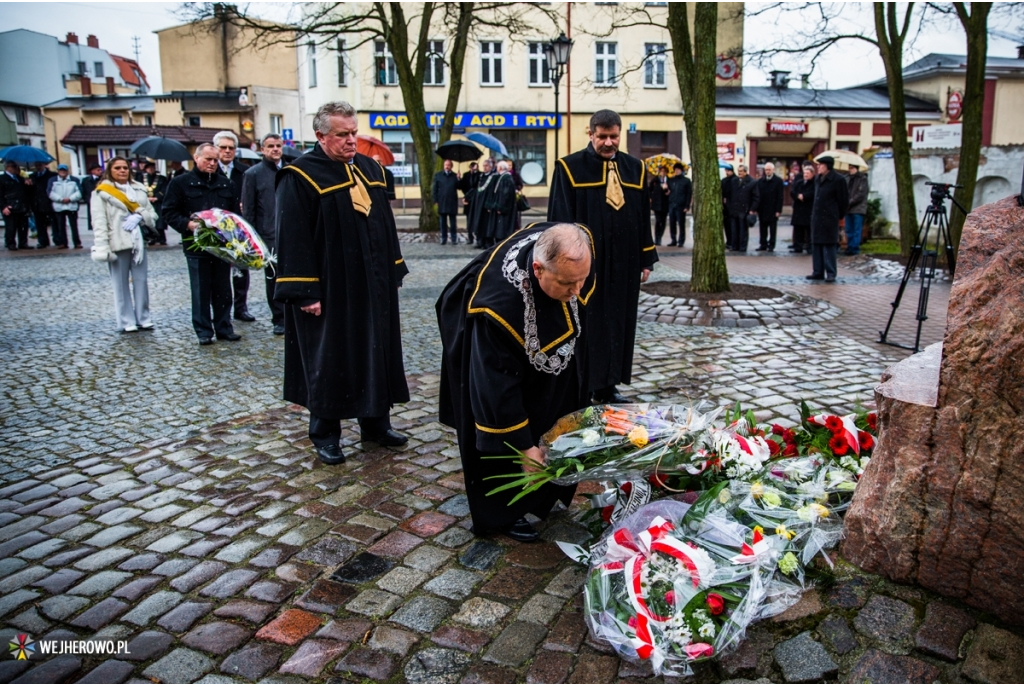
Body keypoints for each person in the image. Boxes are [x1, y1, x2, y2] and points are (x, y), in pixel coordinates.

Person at [437, 222, 595, 542]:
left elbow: (576, 286)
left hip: (536, 302)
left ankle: (545, 492)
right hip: (486, 343)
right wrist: (524, 447)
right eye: (567, 283)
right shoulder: (496, 311)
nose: (577, 291)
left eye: (582, 280)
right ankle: (501, 512)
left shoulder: (576, 248)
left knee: (556, 390)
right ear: (538, 269)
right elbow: (497, 392)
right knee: (497, 419)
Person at [274, 101, 410, 466]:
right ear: (321, 136)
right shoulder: (300, 176)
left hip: (374, 285)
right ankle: (326, 434)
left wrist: (393, 268)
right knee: (329, 358)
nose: (352, 141)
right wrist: (305, 291)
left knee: (375, 351)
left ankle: (376, 424)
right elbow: (292, 237)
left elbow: (385, 225)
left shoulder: (370, 169)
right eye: (342, 135)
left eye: (354, 133)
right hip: (330, 288)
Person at [548, 109, 656, 404]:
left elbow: (643, 216)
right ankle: (583, 386)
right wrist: (563, 262)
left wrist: (646, 259)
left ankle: (608, 385)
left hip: (625, 263)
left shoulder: (636, 169)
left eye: (614, 136)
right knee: (586, 323)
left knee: (618, 322)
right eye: (602, 137)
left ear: (620, 135)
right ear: (591, 134)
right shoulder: (569, 168)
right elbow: (559, 220)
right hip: (586, 264)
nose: (608, 143)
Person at [162, 143, 241, 345]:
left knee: (223, 290)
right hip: (196, 246)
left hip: (222, 246)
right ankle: (204, 331)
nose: (212, 163)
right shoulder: (181, 183)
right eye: (208, 159)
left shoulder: (226, 184)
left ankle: (224, 327)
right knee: (201, 290)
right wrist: (187, 224)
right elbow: (168, 212)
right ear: (196, 159)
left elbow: (235, 215)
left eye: (215, 160)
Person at [89, 156, 158, 332]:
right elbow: (99, 222)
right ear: (110, 171)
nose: (122, 171)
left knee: (141, 281)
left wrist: (140, 216)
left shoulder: (139, 189)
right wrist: (103, 246)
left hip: (138, 241)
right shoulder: (101, 192)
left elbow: (153, 214)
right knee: (120, 284)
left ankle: (143, 317)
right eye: (117, 168)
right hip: (117, 241)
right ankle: (126, 321)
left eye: (125, 168)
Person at [241, 133, 288, 336]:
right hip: (268, 235)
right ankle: (279, 318)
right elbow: (249, 209)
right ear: (262, 149)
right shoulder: (253, 174)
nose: (275, 149)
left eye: (278, 145)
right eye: (270, 146)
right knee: (274, 278)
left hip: (290, 232)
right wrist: (252, 238)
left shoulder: (289, 170)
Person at [213, 130, 252, 322]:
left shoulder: (244, 171)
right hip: (217, 227)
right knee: (219, 273)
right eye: (223, 147)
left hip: (240, 227)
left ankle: (241, 307)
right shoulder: (211, 170)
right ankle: (222, 311)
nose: (227, 151)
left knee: (241, 271)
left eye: (231, 148)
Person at [807, 156, 850, 283]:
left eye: (820, 165)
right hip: (817, 217)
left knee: (829, 245)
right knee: (817, 245)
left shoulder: (838, 180)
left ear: (827, 166)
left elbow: (843, 200)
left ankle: (830, 272)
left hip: (830, 217)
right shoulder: (818, 179)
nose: (818, 167)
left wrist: (838, 215)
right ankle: (817, 271)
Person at [47, 164, 83, 249]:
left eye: (64, 170)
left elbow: (80, 192)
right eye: (60, 170)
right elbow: (50, 192)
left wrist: (70, 199)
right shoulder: (52, 180)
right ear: (58, 171)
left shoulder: (74, 180)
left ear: (67, 171)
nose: (62, 172)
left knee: (74, 226)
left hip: (72, 206)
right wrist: (60, 199)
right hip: (59, 206)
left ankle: (77, 242)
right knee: (60, 226)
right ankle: (62, 242)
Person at [726, 164, 759, 252]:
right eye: (738, 171)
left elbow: (756, 197)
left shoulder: (752, 182)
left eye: (741, 171)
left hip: (745, 210)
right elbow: (730, 194)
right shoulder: (734, 181)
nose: (739, 173)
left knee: (743, 230)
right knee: (734, 230)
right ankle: (734, 246)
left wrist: (752, 209)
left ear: (745, 172)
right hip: (734, 210)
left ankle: (742, 247)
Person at [1, 161, 31, 250]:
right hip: (10, 206)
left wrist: (28, 184)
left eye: (16, 166)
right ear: (7, 167)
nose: (16, 168)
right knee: (11, 226)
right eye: (14, 166)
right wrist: (3, 206)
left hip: (22, 205)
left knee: (23, 226)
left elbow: (26, 192)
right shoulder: (2, 179)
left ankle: (23, 243)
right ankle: (10, 243)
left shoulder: (20, 178)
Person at [485, 160, 517, 244]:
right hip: (504, 209)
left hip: (504, 210)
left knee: (502, 230)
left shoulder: (505, 178)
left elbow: (504, 195)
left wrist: (500, 207)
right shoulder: (503, 177)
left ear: (500, 168)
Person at [756, 162, 784, 252]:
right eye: (766, 170)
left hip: (773, 209)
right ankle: (763, 244)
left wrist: (778, 210)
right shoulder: (761, 181)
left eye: (769, 170)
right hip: (763, 209)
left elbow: (780, 197)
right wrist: (757, 208)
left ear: (773, 170)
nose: (767, 171)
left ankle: (771, 245)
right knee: (762, 228)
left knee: (772, 229)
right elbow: (758, 195)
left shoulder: (778, 181)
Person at [138, 162, 169, 246]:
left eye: (152, 167)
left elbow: (165, 189)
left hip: (158, 203)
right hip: (146, 202)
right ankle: (150, 238)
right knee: (147, 220)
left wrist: (157, 197)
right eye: (149, 168)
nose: (151, 169)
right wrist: (146, 197)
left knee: (159, 221)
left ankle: (161, 238)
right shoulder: (140, 178)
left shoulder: (162, 178)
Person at [432, 158, 460, 245]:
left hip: (452, 202)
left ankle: (454, 238)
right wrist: (435, 200)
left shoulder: (455, 176)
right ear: (444, 166)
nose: (447, 167)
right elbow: (435, 189)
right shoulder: (438, 175)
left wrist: (459, 179)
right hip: (442, 201)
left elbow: (459, 187)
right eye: (446, 165)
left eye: (448, 165)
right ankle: (443, 238)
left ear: (451, 166)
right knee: (442, 223)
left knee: (453, 223)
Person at [790, 163, 815, 253]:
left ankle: (810, 247)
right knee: (798, 230)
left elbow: (813, 193)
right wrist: (797, 196)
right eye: (805, 173)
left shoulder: (815, 183)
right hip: (798, 209)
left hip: (808, 209)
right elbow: (792, 191)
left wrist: (804, 196)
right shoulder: (799, 182)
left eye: (808, 173)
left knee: (809, 230)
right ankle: (798, 247)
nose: (806, 175)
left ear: (812, 174)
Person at [470, 158, 496, 248]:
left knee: (486, 224)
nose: (485, 168)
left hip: (486, 204)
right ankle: (479, 241)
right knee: (478, 223)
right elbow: (473, 184)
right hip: (478, 203)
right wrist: (473, 173)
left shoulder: (493, 177)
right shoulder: (480, 176)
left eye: (487, 166)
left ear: (491, 167)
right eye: (483, 166)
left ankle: (487, 242)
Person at [31, 162, 57, 248]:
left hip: (49, 203)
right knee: (40, 224)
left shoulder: (52, 175)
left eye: (39, 165)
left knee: (54, 223)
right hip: (37, 204)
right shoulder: (32, 176)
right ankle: (43, 241)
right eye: (36, 165)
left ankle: (57, 240)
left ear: (44, 165)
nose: (38, 167)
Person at [845, 163, 869, 255]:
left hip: (858, 209)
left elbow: (861, 194)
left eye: (852, 168)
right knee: (849, 229)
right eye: (849, 168)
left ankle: (854, 248)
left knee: (856, 229)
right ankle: (849, 246)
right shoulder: (847, 178)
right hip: (848, 208)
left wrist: (850, 201)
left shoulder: (862, 178)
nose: (850, 170)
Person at [667, 163, 692, 247]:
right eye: (675, 170)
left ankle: (681, 240)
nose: (676, 171)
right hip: (672, 204)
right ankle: (673, 239)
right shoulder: (671, 180)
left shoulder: (686, 181)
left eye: (678, 169)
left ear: (681, 171)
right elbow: (668, 191)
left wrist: (687, 206)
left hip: (681, 205)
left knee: (681, 224)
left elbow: (688, 194)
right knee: (672, 223)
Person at [458, 161, 481, 244]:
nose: (476, 169)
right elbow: (460, 186)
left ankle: (478, 237)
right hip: (468, 200)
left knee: (477, 219)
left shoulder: (480, 175)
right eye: (474, 167)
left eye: (477, 168)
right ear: (470, 168)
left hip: (476, 200)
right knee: (469, 220)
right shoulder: (466, 175)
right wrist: (459, 179)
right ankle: (470, 237)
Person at [648, 165, 670, 246]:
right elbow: (649, 190)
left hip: (665, 204)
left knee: (663, 221)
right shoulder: (655, 180)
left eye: (664, 171)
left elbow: (670, 192)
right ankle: (657, 238)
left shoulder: (669, 181)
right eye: (661, 171)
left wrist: (667, 189)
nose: (663, 173)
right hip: (657, 204)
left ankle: (660, 235)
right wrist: (651, 198)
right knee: (658, 221)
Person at [80, 163, 103, 232]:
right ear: (93, 171)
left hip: (101, 202)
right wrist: (87, 200)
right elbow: (83, 191)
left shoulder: (103, 179)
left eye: (100, 170)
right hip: (91, 203)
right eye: (98, 170)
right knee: (93, 221)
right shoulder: (86, 180)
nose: (100, 171)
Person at [721, 164, 735, 249]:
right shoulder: (724, 180)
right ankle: (729, 241)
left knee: (732, 226)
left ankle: (732, 242)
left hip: (732, 206)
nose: (727, 172)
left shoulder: (735, 180)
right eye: (726, 170)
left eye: (728, 170)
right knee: (726, 225)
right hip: (725, 207)